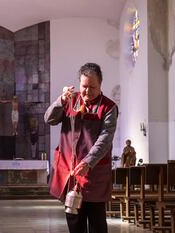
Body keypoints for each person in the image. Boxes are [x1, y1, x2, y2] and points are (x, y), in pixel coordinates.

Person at [45, 63, 118, 233]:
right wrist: (61, 100)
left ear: (100, 85)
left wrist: (88, 162)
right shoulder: (70, 100)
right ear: (79, 84)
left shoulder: (108, 107)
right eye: (84, 86)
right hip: (70, 173)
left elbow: (105, 138)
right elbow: (49, 119)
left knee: (97, 224)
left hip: (94, 174)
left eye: (92, 87)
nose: (87, 91)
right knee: (74, 222)